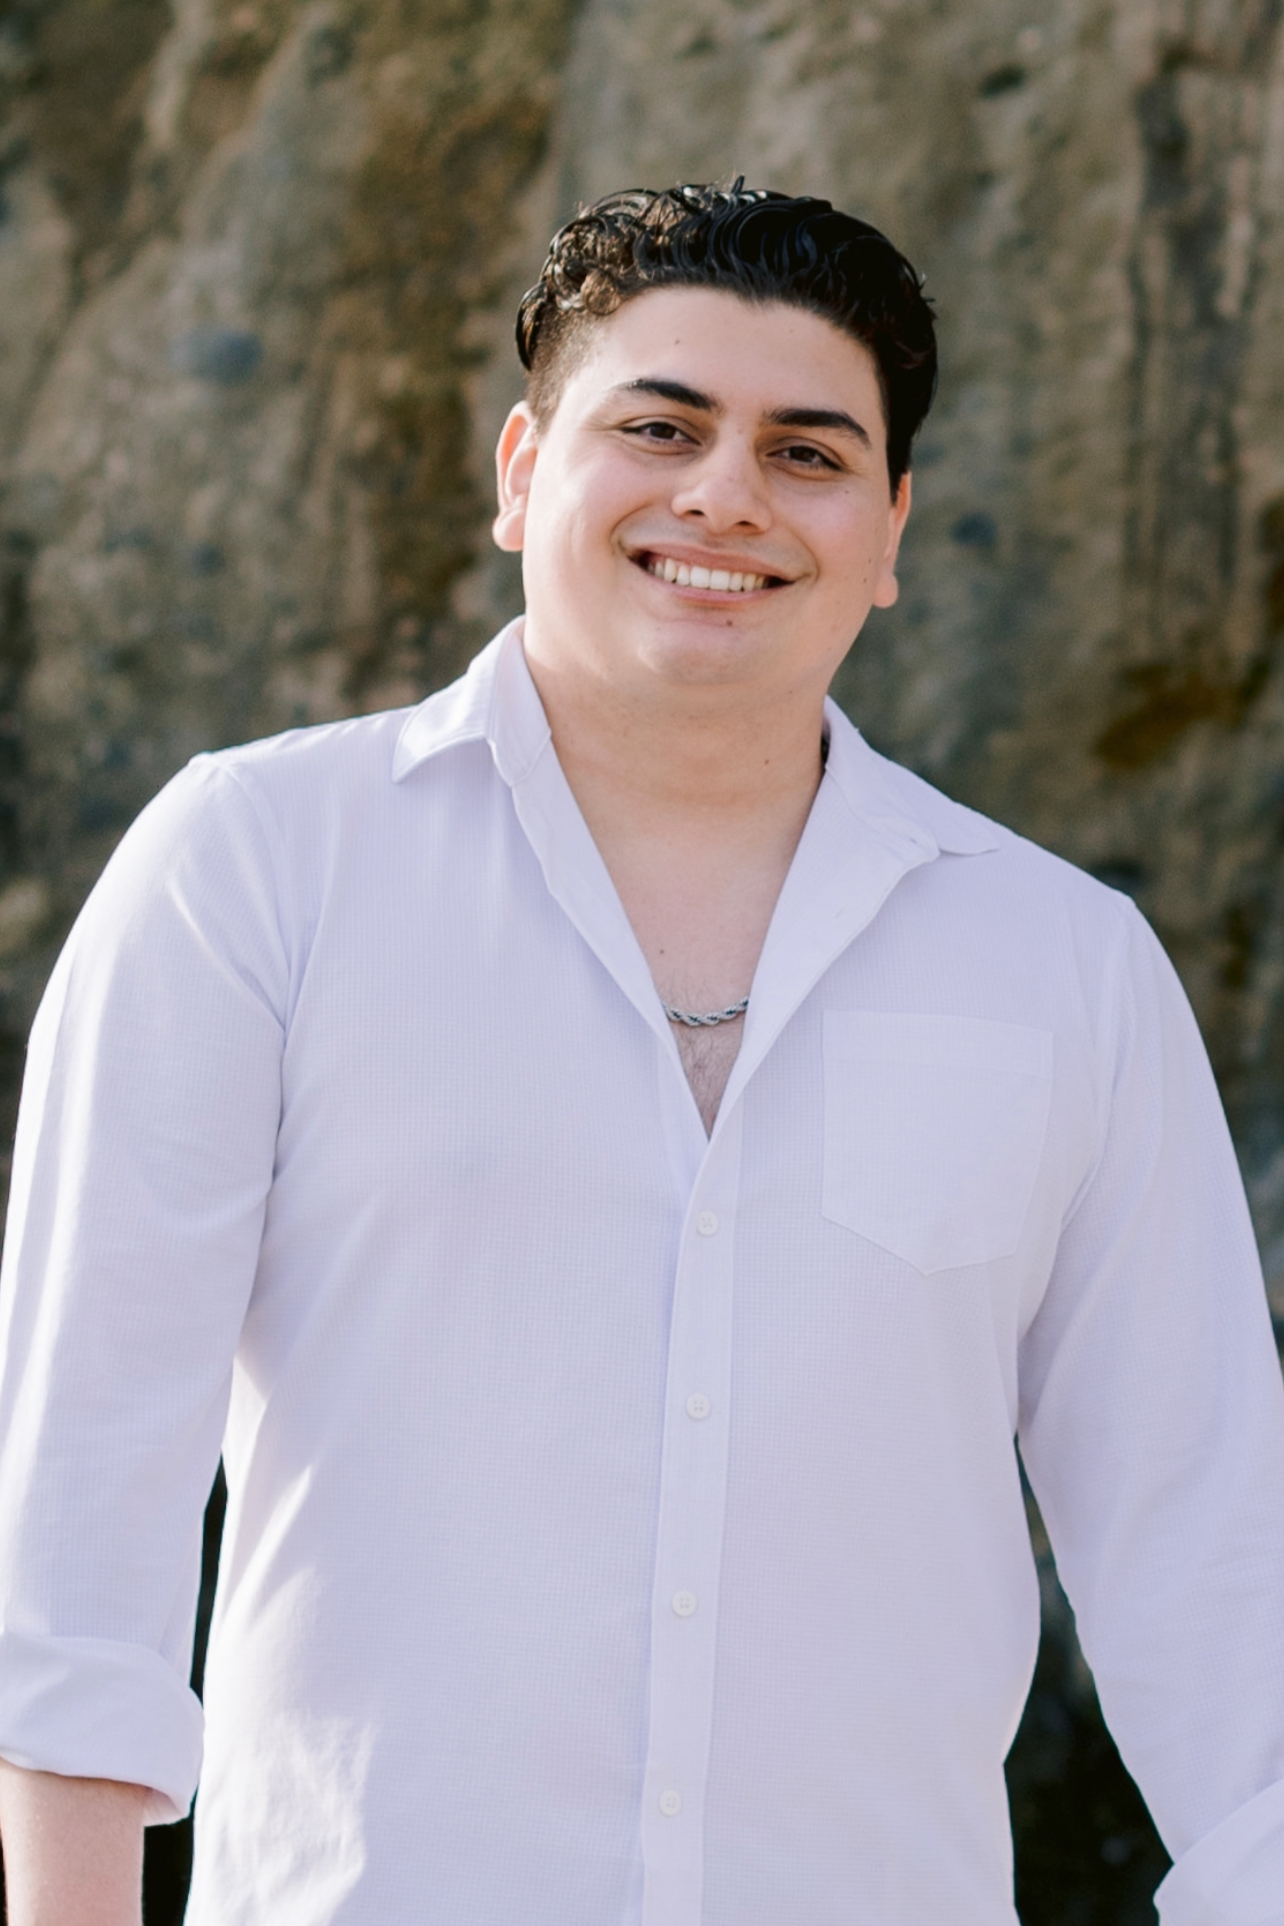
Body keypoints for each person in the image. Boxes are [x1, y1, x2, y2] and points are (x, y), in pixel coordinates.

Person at [0, 180, 1282, 1926]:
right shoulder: (254, 866)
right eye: (660, 425)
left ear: (893, 528)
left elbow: (1218, 1558)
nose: (724, 494)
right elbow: (77, 1505)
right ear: (525, 466)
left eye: (808, 451)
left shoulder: (1064, 965)